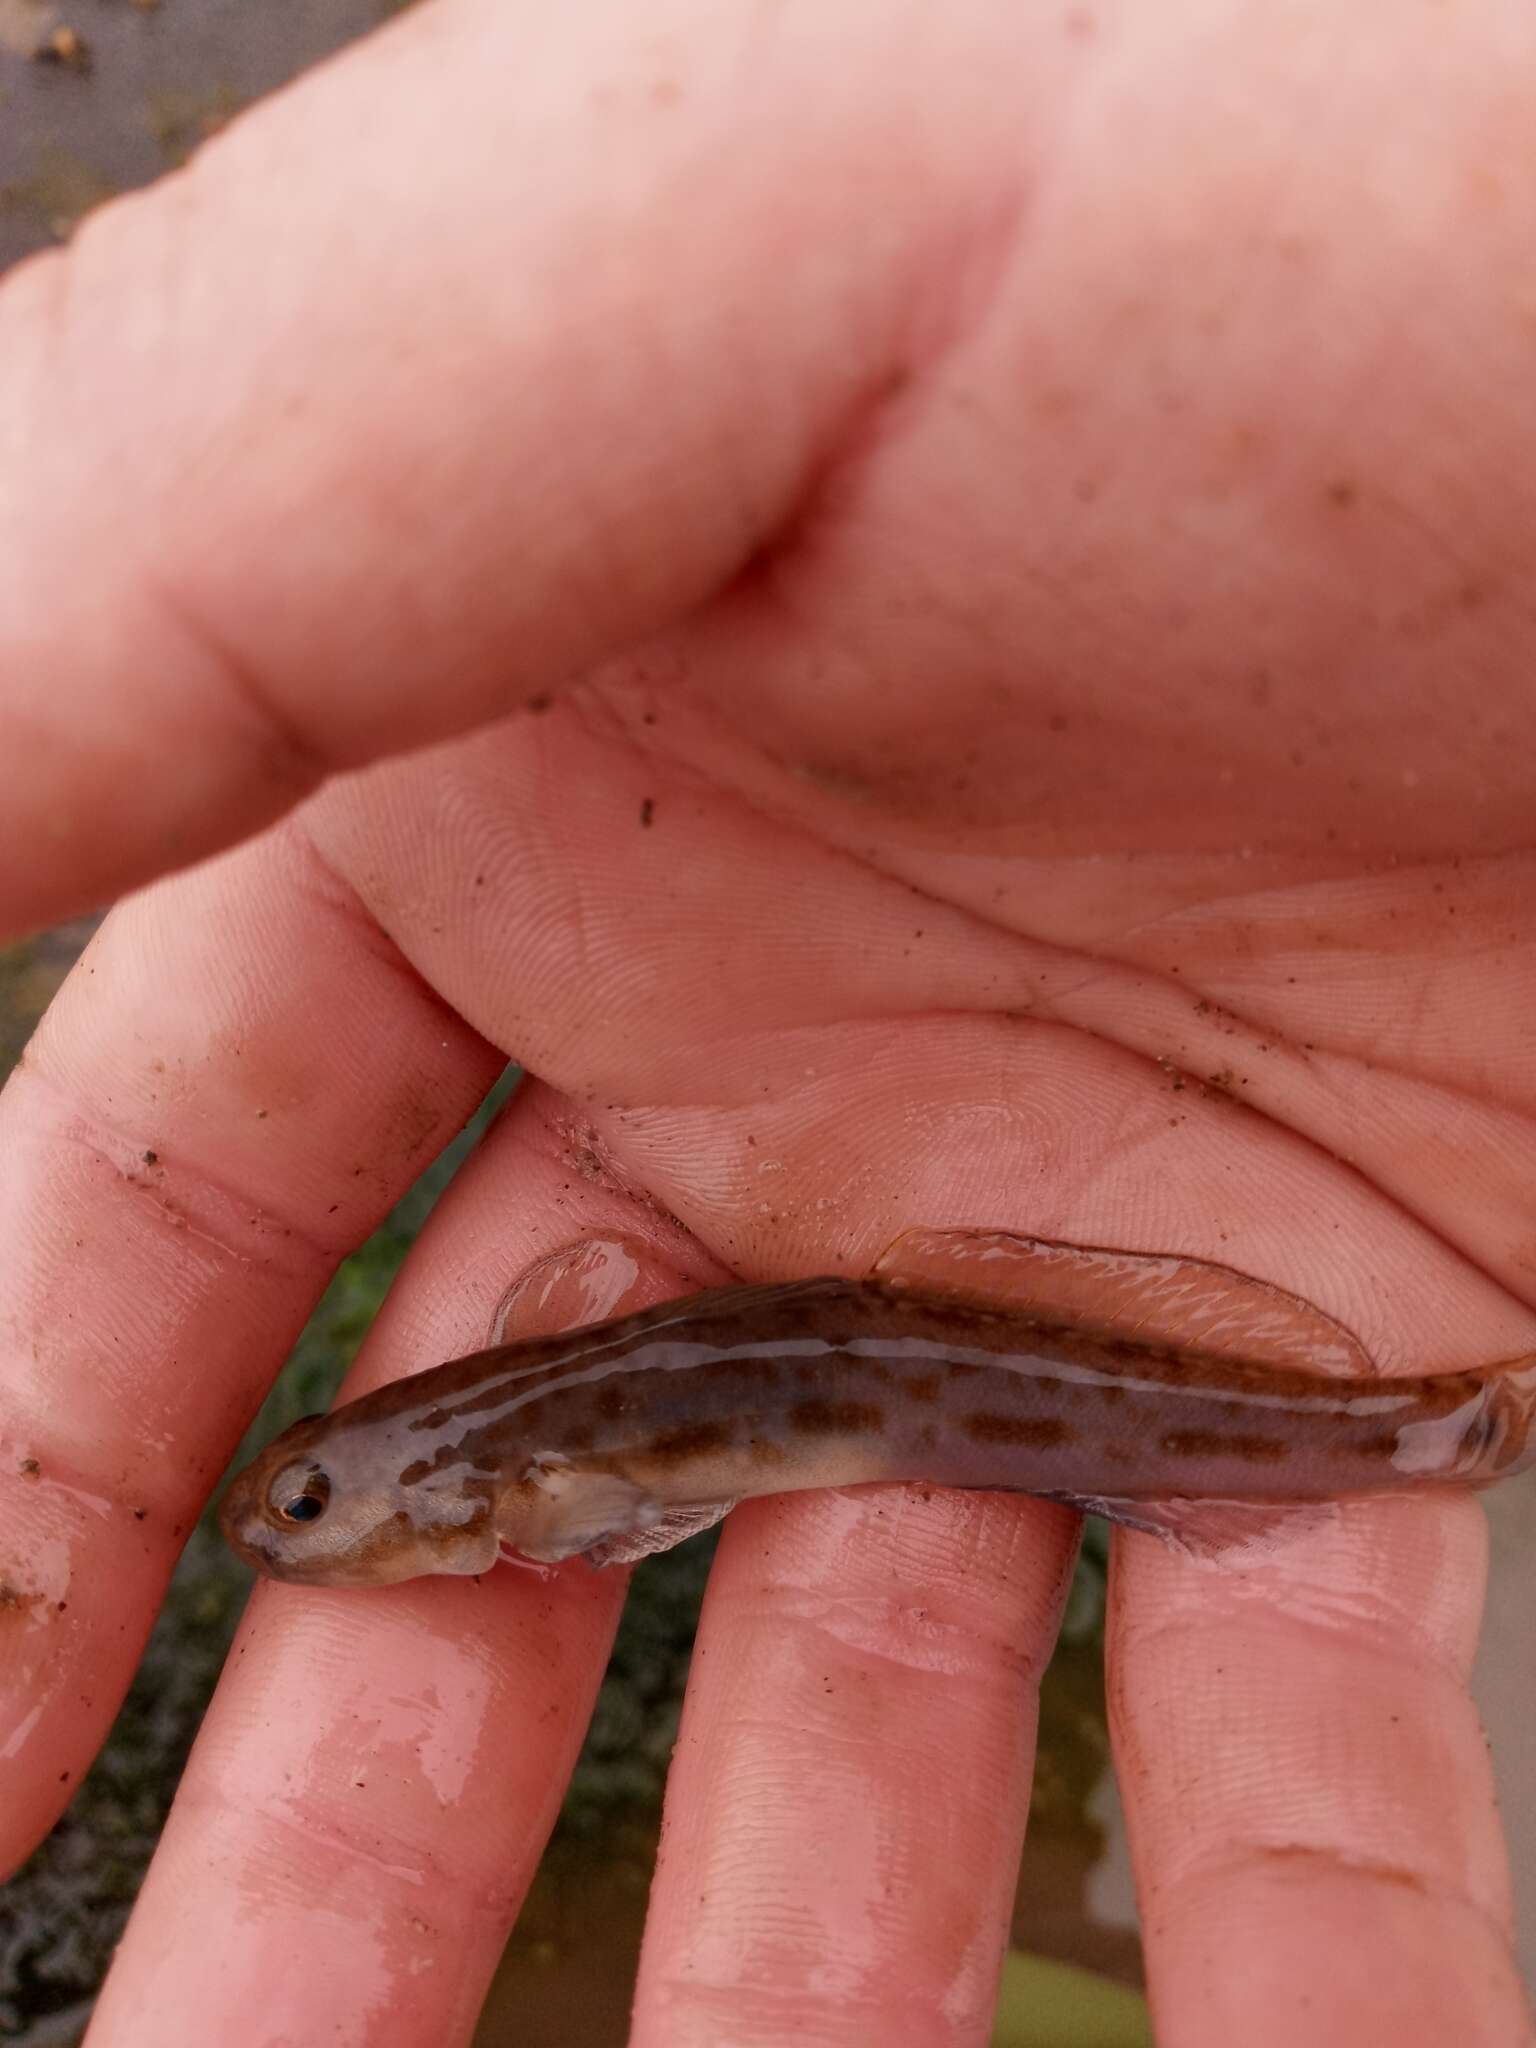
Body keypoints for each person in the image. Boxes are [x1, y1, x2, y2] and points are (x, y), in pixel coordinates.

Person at [2, 1, 1533, 2041]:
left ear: (406, 1475)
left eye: (311, 1503)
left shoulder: (524, 1465)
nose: (304, 1533)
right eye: (299, 1506)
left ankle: (1449, 1418)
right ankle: (1436, 1420)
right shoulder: (527, 1450)